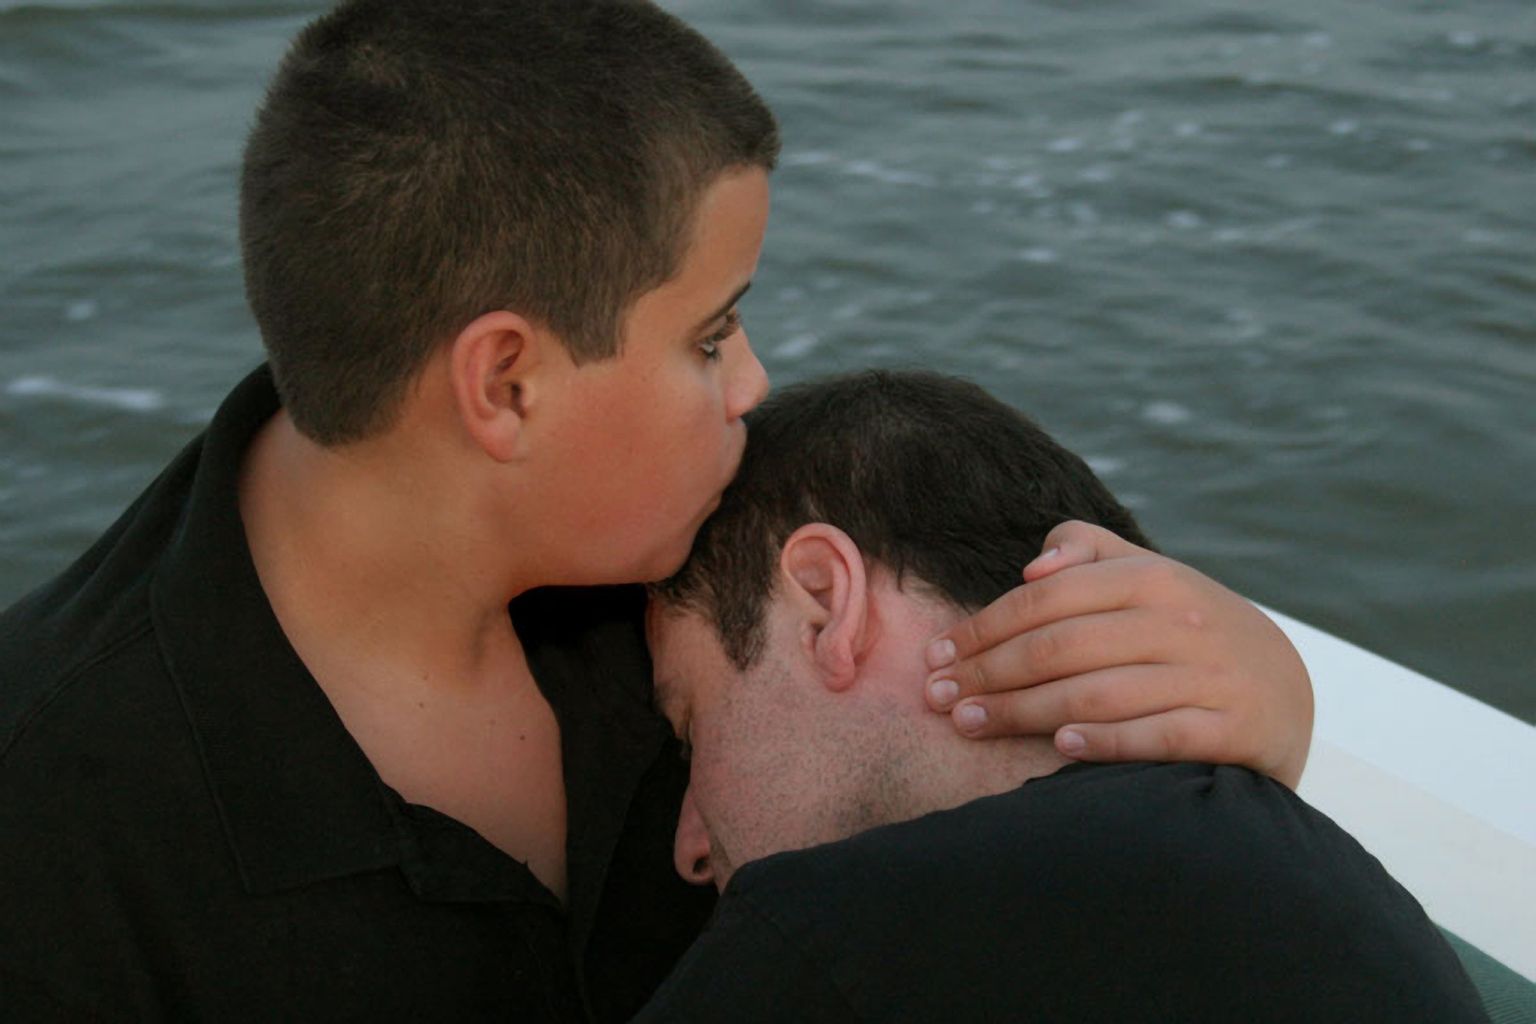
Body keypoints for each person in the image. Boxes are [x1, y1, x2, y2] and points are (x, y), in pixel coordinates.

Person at [0, 2, 1311, 1020]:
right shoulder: (52, 823)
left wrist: (1268, 698)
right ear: (505, 385)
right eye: (710, 335)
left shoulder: (695, 549)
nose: (753, 383)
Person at [639, 370, 1487, 1023]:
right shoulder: (1333, 894)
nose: (691, 847)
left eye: (689, 725)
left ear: (827, 602)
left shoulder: (826, 937)